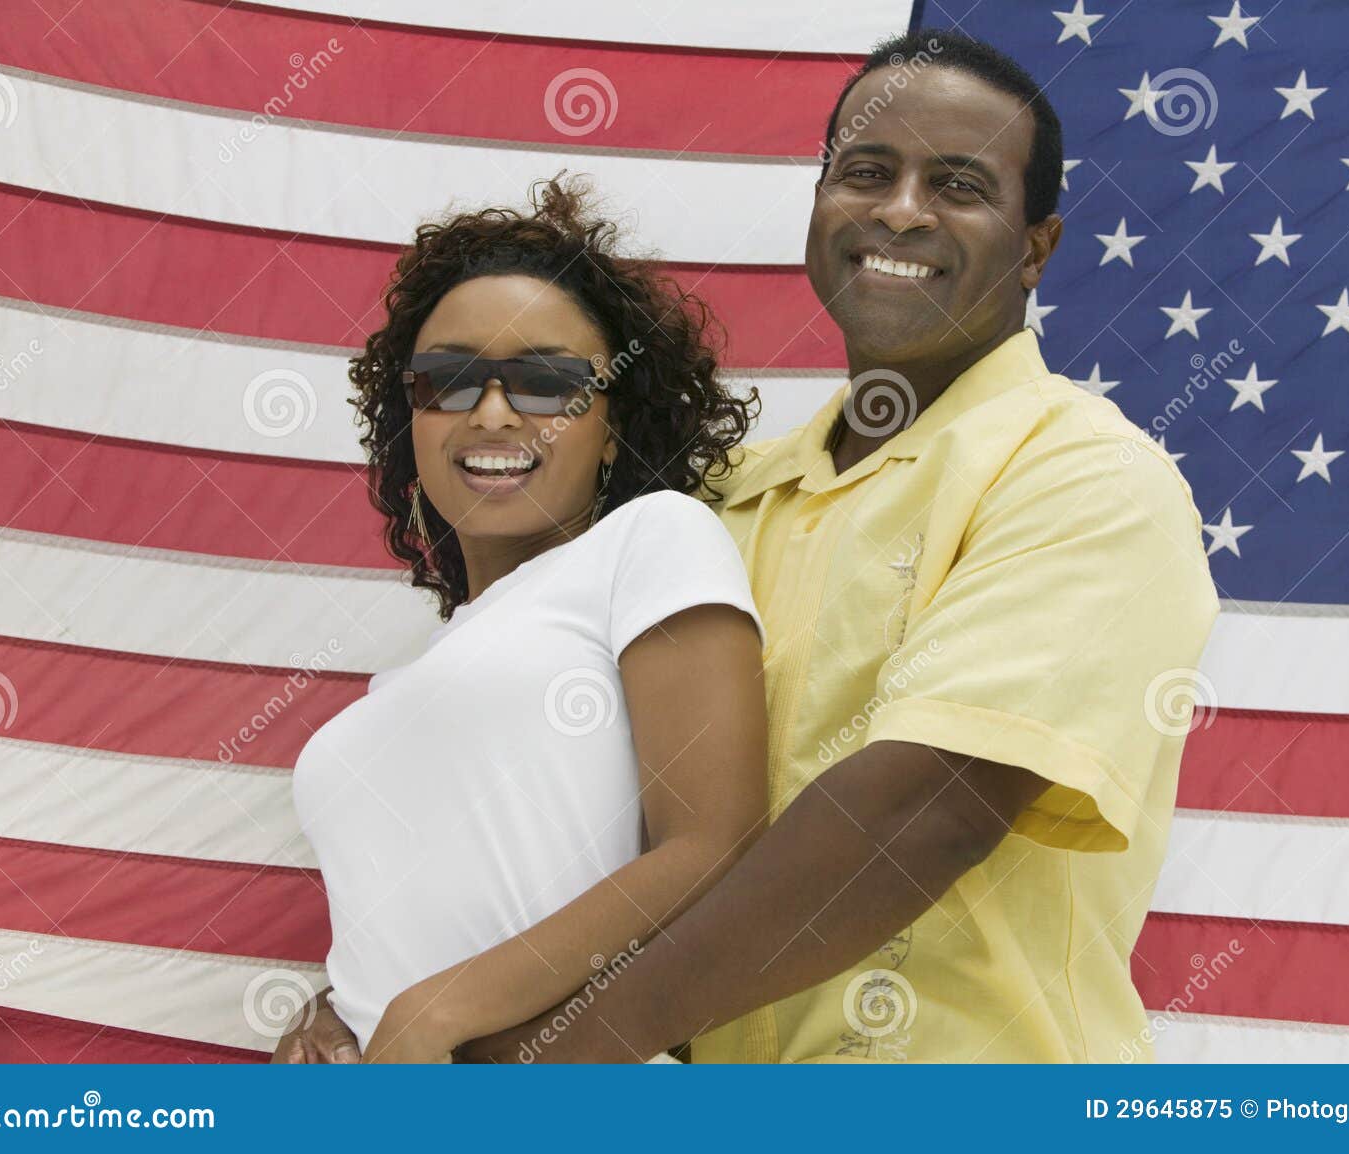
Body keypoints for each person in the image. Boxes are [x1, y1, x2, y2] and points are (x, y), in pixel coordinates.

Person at [447, 29, 1221, 1063]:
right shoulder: (714, 504)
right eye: (865, 171)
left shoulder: (1087, 477)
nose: (900, 208)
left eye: (956, 184)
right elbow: (549, 798)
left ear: (1034, 247)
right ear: (819, 205)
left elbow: (918, 814)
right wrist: (400, 990)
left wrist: (560, 1052)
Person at [272, 179, 768, 1063]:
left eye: (547, 383)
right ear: (411, 421)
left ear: (613, 426)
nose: (493, 412)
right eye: (451, 381)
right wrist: (332, 1012)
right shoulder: (423, 667)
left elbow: (716, 845)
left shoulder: (654, 540)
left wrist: (441, 1009)